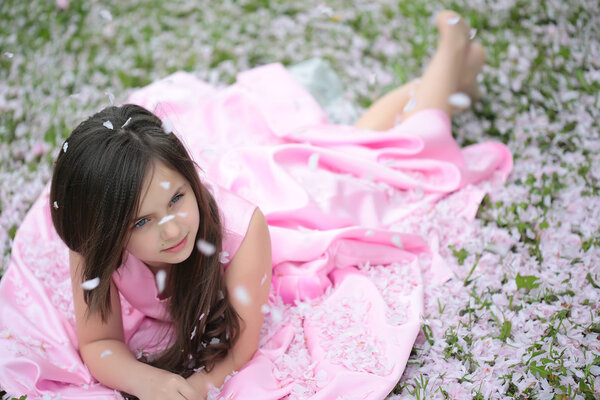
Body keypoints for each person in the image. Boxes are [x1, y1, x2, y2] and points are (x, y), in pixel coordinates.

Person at [0, 10, 511, 400]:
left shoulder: (242, 231)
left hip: (288, 193)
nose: (173, 228)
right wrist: (146, 380)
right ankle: (457, 75)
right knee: (349, 142)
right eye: (142, 221)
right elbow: (98, 344)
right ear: (109, 231)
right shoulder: (96, 242)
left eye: (178, 198)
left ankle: (450, 53)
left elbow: (240, 343)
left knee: (388, 163)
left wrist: (208, 381)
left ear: (190, 179)